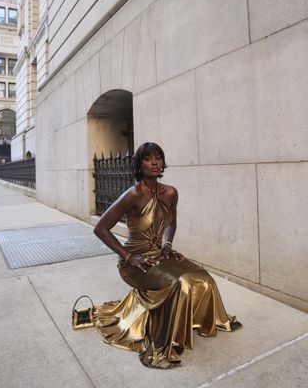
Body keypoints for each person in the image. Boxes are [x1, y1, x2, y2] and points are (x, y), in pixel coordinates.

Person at [94, 142, 242, 369]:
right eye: (148, 158)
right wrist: (129, 257)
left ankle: (208, 321)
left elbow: (172, 222)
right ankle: (164, 345)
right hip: (136, 263)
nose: (154, 162)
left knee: (204, 277)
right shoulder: (132, 195)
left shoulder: (171, 192)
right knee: (179, 283)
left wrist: (167, 244)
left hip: (160, 255)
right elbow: (101, 228)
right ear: (139, 164)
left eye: (158, 158)